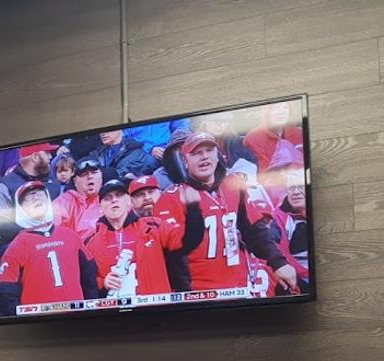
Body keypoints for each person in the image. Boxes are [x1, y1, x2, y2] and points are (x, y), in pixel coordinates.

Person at [154, 132, 298, 293]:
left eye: (209, 150)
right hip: (200, 291)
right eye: (196, 153)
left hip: (239, 288)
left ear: (217, 155)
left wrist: (278, 263)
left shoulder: (233, 184)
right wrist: (186, 295)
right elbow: (174, 254)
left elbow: (253, 231)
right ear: (185, 161)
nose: (204, 157)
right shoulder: (171, 197)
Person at [0, 181, 98, 315]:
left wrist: (89, 310)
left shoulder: (71, 236)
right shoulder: (16, 247)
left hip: (76, 317)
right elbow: (6, 293)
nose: (36, 198)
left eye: (40, 194)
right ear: (21, 208)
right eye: (29, 197)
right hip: (41, 321)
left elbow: (89, 276)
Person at [85, 180, 179, 297]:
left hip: (154, 304)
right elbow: (85, 281)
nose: (114, 200)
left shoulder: (155, 226)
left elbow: (184, 246)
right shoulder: (90, 242)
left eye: (119, 195)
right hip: (113, 306)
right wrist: (102, 282)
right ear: (100, 207)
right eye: (107, 198)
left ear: (129, 201)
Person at [0, 142, 54, 216]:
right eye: (47, 153)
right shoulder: (5, 188)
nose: (50, 156)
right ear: (35, 157)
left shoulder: (53, 183)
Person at [243, 101, 303, 172]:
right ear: (266, 112)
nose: (281, 112)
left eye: (285, 108)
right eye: (276, 108)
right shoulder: (253, 137)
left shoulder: (299, 133)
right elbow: (262, 171)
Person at [55, 158, 103, 234]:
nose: (90, 176)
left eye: (94, 172)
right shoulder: (63, 203)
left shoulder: (111, 199)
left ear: (101, 176)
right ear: (75, 181)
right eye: (84, 174)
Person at [88, 129, 158, 179]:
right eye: (101, 130)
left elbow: (120, 173)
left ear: (120, 129)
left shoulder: (135, 151)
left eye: (108, 129)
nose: (103, 133)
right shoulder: (99, 152)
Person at [126, 118, 190, 160]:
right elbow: (125, 140)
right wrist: (149, 149)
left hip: (168, 149)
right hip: (141, 152)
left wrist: (173, 146)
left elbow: (182, 128)